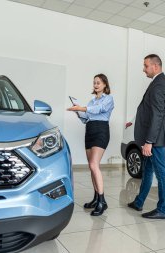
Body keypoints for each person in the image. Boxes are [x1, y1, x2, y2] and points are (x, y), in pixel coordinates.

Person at [127, 54, 165, 219]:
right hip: (153, 137)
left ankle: (163, 209)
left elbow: (157, 115)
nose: (143, 69)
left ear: (155, 66)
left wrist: (149, 142)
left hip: (156, 139)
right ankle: (139, 202)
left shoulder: (159, 85)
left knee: (161, 173)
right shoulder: (159, 83)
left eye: (145, 66)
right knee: (147, 170)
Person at [67, 73, 114, 216]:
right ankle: (96, 198)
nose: (96, 84)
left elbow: (99, 110)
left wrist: (82, 108)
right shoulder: (92, 101)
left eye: (98, 82)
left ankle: (102, 201)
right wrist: (78, 111)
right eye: (94, 82)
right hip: (90, 131)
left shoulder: (109, 99)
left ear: (105, 84)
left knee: (94, 165)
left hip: (101, 131)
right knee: (91, 167)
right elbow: (86, 118)